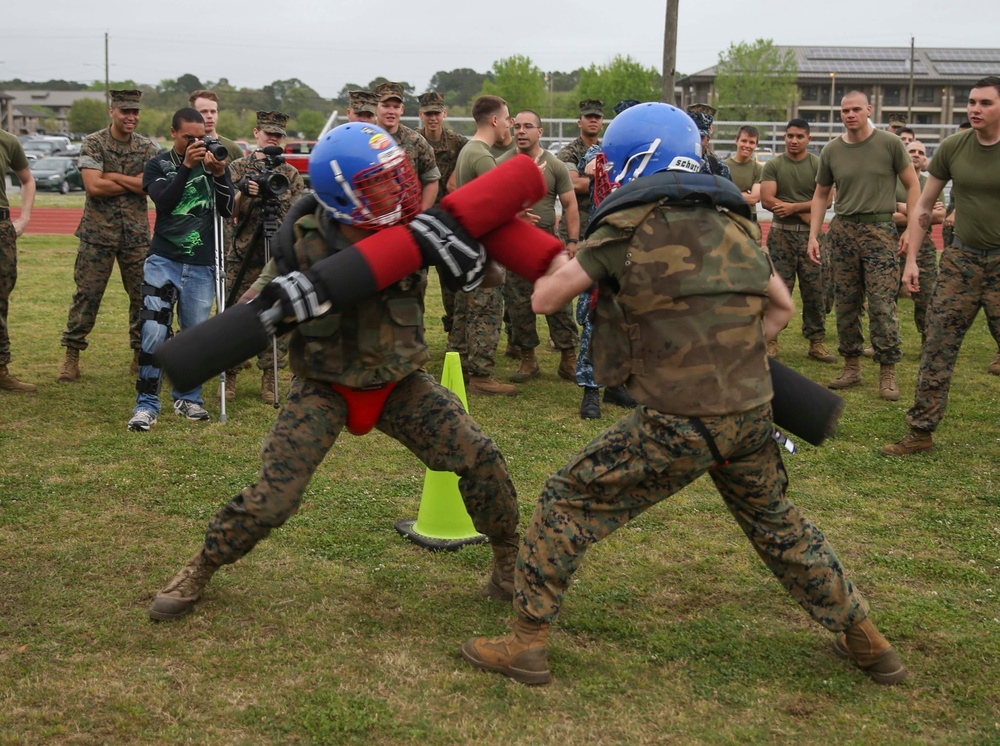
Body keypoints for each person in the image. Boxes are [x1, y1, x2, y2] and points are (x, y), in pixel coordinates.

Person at [459, 102, 906, 687]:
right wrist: (738, 355)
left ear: (633, 162)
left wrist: (525, 248)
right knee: (779, 526)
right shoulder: (737, 222)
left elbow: (546, 300)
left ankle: (524, 644)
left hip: (680, 418)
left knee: (566, 501)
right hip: (749, 410)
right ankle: (869, 643)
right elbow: (781, 308)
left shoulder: (628, 225)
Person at [147, 122, 521, 620]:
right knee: (273, 497)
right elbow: (261, 297)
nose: (394, 191)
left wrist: (479, 247)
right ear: (343, 192)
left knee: (480, 459)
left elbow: (486, 276)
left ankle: (508, 558)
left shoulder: (413, 227)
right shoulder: (302, 242)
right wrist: (253, 312)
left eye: (395, 178)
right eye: (377, 183)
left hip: (399, 382)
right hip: (324, 385)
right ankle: (202, 565)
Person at [883, 76, 1000, 456]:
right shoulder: (954, 147)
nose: (975, 109)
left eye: (985, 103)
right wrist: (913, 258)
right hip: (961, 260)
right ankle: (920, 432)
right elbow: (922, 205)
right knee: (937, 345)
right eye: (971, 102)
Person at [807, 90, 920, 401]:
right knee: (846, 302)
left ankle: (887, 370)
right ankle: (851, 365)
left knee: (883, 304)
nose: (850, 115)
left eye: (856, 109)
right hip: (843, 229)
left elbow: (913, 185)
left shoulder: (890, 144)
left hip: (880, 229)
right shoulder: (831, 150)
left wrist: (910, 228)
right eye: (845, 110)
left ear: (869, 110)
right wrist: (814, 235)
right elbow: (820, 194)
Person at [127, 108, 235, 432]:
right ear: (174, 134)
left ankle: (189, 398)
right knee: (154, 330)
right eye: (189, 138)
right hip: (164, 260)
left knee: (194, 337)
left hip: (202, 263)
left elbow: (227, 208)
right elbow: (164, 202)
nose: (196, 143)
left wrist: (219, 174)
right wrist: (187, 166)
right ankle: (146, 405)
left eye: (200, 138)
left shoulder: (214, 161)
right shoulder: (157, 164)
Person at [56, 89, 160, 382]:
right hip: (96, 234)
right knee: (87, 295)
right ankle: (72, 355)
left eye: (135, 112)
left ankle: (140, 353)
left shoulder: (147, 148)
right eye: (125, 111)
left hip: (136, 235)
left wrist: (112, 175)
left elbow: (148, 187)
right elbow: (94, 187)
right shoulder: (93, 142)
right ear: (112, 111)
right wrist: (131, 182)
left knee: (143, 296)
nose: (131, 117)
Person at [225, 110, 304, 404]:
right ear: (257, 133)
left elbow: (296, 215)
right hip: (244, 252)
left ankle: (270, 377)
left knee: (277, 315)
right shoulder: (238, 167)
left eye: (278, 135)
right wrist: (245, 192)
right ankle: (230, 374)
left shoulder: (291, 175)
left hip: (277, 254)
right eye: (268, 133)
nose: (273, 138)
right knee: (235, 314)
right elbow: (229, 211)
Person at [498, 110, 579, 383]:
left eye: (528, 126)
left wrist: (572, 241)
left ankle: (569, 359)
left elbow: (569, 205)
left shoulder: (555, 165)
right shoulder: (502, 164)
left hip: (547, 241)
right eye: (517, 126)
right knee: (519, 303)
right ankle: (527, 360)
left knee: (559, 300)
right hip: (516, 243)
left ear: (540, 132)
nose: (521, 131)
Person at [447, 95, 517, 396]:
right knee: (486, 310)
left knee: (464, 309)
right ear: (494, 120)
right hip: (482, 245)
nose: (508, 124)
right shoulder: (482, 155)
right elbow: (498, 201)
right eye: (507, 117)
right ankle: (481, 377)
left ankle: (459, 363)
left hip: (466, 242)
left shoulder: (469, 149)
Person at [760, 119, 837, 363]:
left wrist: (792, 206)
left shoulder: (818, 165)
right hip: (781, 236)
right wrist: (806, 209)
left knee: (815, 291)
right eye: (790, 136)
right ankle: (770, 340)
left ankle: (816, 342)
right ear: (785, 137)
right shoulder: (773, 165)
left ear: (809, 139)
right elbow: (766, 199)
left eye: (800, 136)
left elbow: (826, 201)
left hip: (810, 238)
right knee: (778, 288)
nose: (794, 140)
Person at [416, 91, 468, 333]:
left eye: (436, 113)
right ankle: (414, 332)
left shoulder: (458, 143)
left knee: (450, 282)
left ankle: (454, 333)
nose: (433, 118)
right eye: (428, 114)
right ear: (420, 115)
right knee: (416, 281)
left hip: (447, 222)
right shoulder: (413, 142)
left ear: (444, 114)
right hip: (419, 220)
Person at [891, 140, 944, 340]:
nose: (916, 154)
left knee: (926, 297)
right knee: (886, 297)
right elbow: (886, 214)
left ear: (925, 159)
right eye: (911, 151)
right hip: (892, 242)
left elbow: (940, 216)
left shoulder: (931, 183)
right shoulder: (891, 180)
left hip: (924, 246)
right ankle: (884, 340)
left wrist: (904, 208)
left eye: (920, 152)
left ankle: (926, 341)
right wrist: (921, 213)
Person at [0, 128, 37, 392]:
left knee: (0, 300)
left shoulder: (7, 141)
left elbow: (27, 180)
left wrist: (23, 218)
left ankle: (1, 369)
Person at [373, 82, 440, 209]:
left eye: (396, 107)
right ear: (376, 108)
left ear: (402, 109)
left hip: (407, 215)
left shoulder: (415, 141)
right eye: (386, 106)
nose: (391, 112)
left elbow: (431, 180)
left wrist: (421, 213)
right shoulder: (364, 139)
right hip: (374, 215)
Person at [557, 99, 604, 241]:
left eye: (597, 117)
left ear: (602, 124)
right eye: (589, 117)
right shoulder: (569, 152)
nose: (593, 120)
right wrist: (604, 180)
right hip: (575, 230)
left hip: (600, 225)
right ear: (579, 122)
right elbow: (573, 184)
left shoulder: (607, 151)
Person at [188, 89, 244, 161]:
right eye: (204, 112)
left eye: (213, 111)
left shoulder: (233, 149)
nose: (209, 116)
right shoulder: (187, 148)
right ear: (192, 115)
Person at [724, 125, 763, 221]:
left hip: (749, 219)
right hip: (727, 218)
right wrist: (745, 194)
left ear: (756, 145)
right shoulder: (723, 166)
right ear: (736, 141)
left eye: (752, 142)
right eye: (744, 141)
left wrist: (730, 194)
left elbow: (753, 198)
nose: (747, 145)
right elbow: (721, 196)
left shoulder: (758, 169)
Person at [686, 103, 732, 180]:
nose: (696, 142)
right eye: (693, 136)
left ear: (708, 138)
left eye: (701, 137)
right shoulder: (673, 164)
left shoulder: (718, 168)